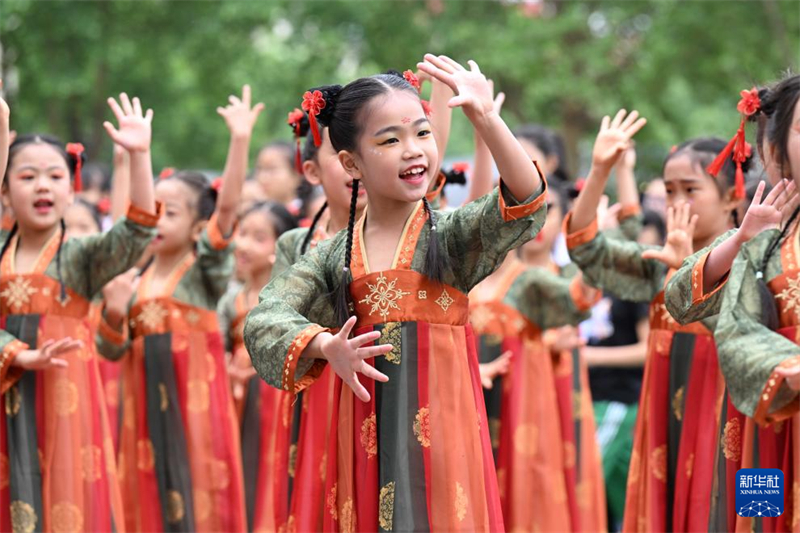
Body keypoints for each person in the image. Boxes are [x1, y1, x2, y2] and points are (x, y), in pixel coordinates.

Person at [245, 55, 546, 531]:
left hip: (443, 445)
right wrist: (326, 345)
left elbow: (523, 202)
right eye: (390, 139)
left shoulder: (447, 238)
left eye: (422, 134)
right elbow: (264, 318)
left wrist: (487, 119)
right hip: (359, 447)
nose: (413, 150)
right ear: (351, 163)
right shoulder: (332, 256)